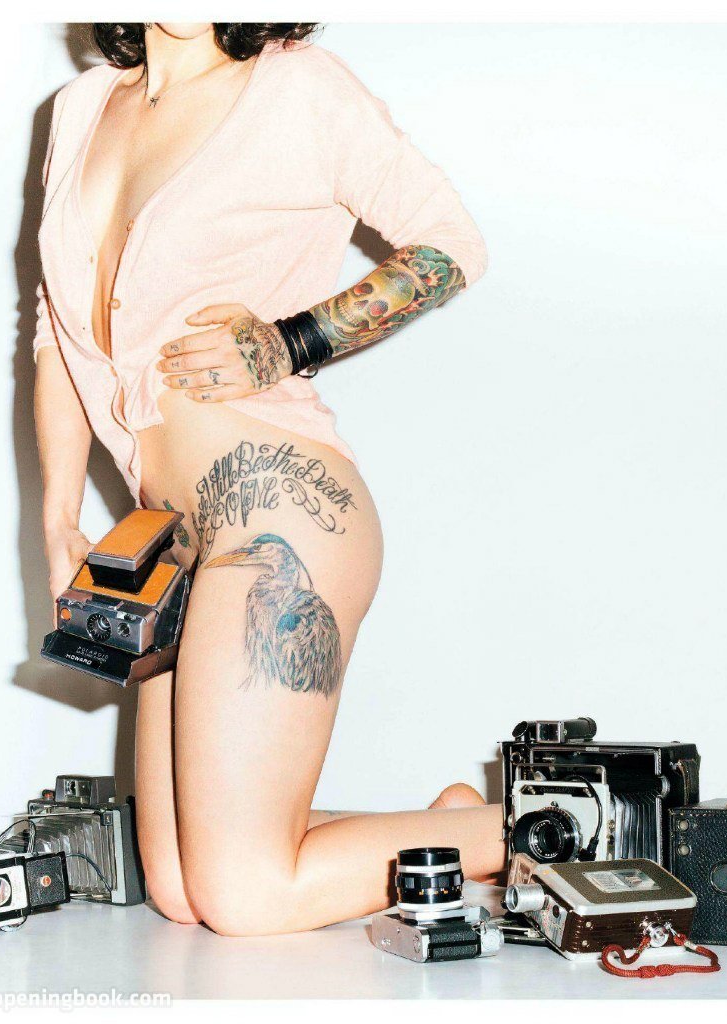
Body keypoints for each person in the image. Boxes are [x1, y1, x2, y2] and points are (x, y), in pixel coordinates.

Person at [34, 22, 502, 935]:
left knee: (243, 896)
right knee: (179, 890)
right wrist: (58, 516)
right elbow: (55, 327)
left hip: (279, 521)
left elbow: (451, 245)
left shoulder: (297, 88)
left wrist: (292, 342)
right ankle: (449, 833)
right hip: (169, 552)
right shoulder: (80, 107)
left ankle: (532, 831)